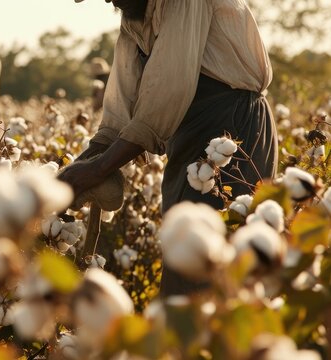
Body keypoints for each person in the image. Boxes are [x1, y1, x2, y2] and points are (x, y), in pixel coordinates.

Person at [62, 0, 277, 296]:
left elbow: (168, 88)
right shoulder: (133, 20)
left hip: (232, 132)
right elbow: (120, 105)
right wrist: (73, 173)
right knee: (183, 260)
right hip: (189, 135)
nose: (110, 1)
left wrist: (99, 168)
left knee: (216, 263)